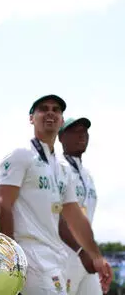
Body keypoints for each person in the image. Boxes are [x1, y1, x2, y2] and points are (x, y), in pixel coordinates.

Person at [0, 95, 112, 294]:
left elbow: (75, 218)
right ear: (31, 118)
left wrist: (95, 256)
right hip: (29, 253)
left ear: (61, 119)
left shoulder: (61, 167)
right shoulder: (20, 154)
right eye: (43, 108)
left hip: (56, 255)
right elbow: (2, 205)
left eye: (56, 109)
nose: (50, 112)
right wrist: (10, 255)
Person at [56, 117, 101, 295]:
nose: (82, 135)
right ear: (61, 137)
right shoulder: (57, 168)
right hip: (65, 255)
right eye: (75, 131)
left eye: (84, 131)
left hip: (86, 255)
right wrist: (80, 250)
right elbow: (56, 217)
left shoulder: (87, 174)